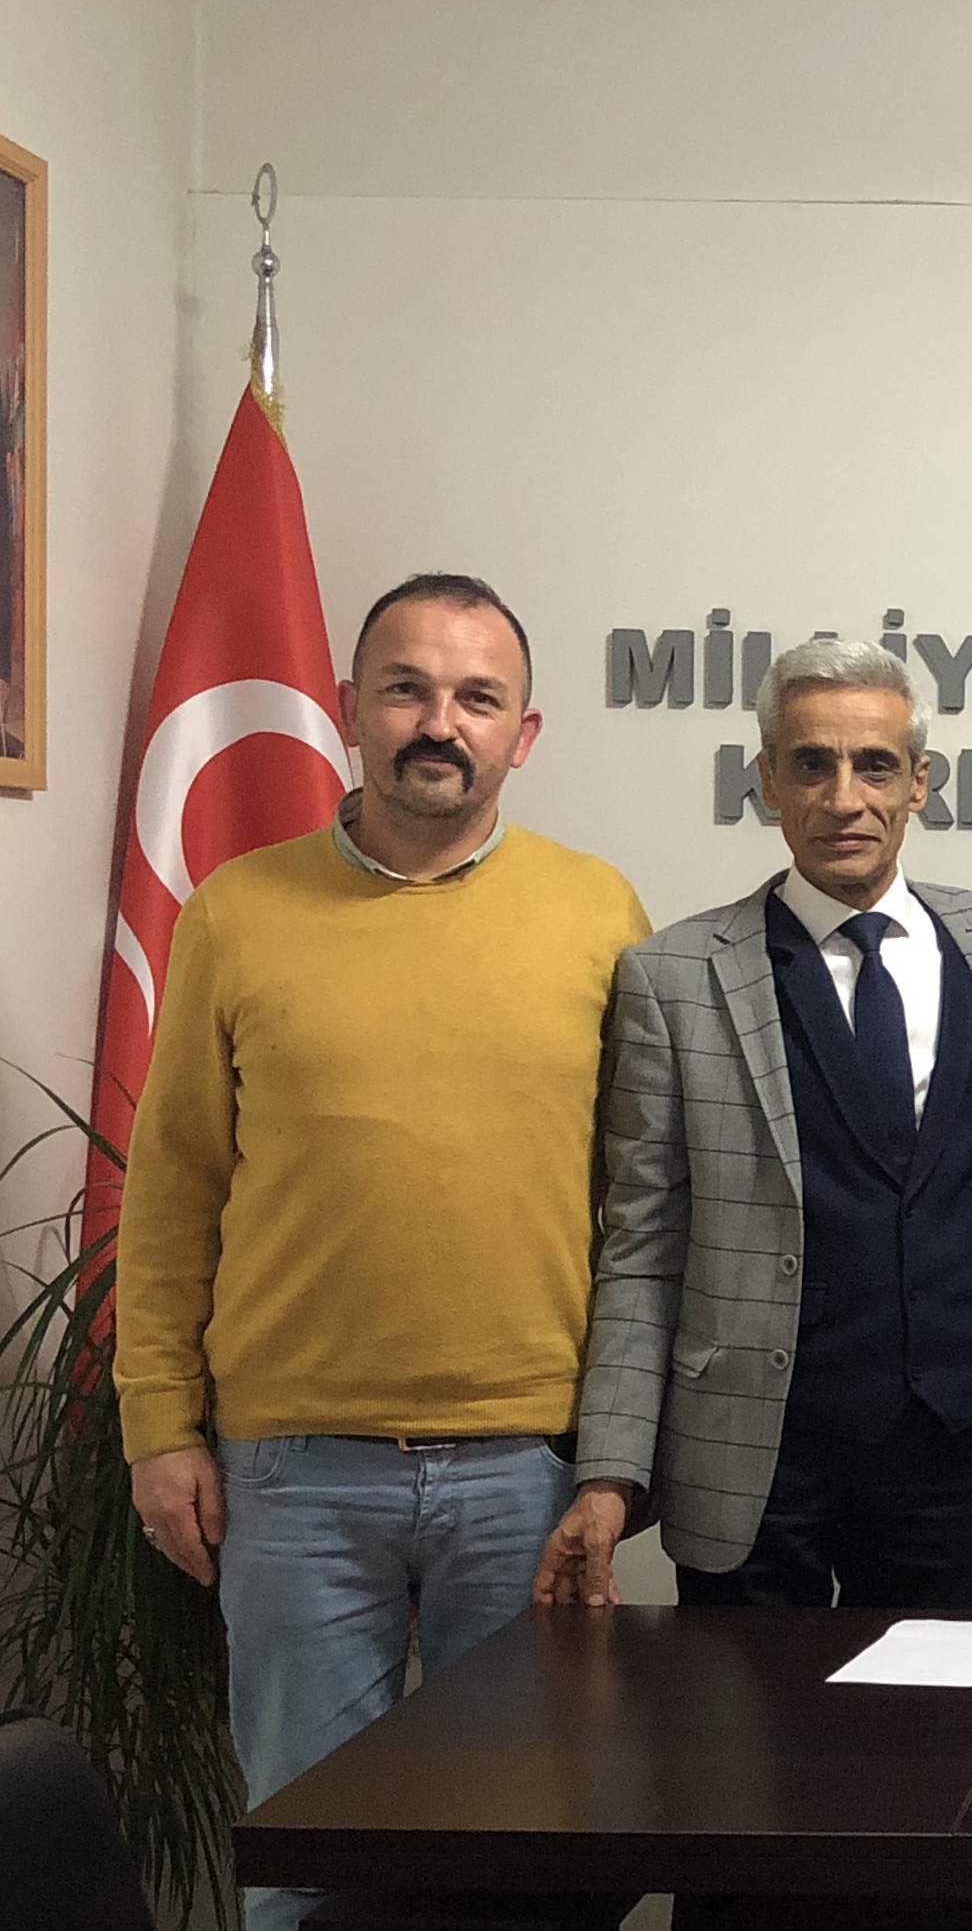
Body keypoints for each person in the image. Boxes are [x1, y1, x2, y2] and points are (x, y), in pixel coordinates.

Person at [117, 574, 648, 1931]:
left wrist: (615, 1457)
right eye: (407, 688)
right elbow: (173, 1189)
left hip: (524, 1470)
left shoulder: (600, 915)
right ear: (350, 705)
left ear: (524, 732)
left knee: (514, 1861)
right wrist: (159, 1425)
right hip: (293, 1473)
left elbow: (643, 1209)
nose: (438, 722)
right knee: (303, 1858)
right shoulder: (237, 909)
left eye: (477, 697)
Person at [532, 637, 972, 1610]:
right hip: (750, 1440)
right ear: (768, 778)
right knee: (739, 1709)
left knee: (928, 1705)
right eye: (812, 763)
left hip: (955, 1429)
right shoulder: (673, 977)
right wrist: (609, 1466)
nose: (843, 797)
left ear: (920, 783)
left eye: (875, 765)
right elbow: (641, 1244)